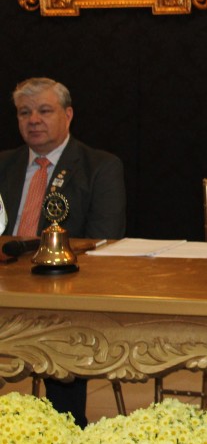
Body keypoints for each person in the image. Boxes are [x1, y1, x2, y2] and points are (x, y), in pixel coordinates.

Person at [0, 77, 127, 428]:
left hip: (65, 290)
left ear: (68, 115)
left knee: (63, 334)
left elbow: (103, 241)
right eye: (24, 113)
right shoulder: (4, 165)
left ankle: (66, 428)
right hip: (4, 281)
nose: (33, 120)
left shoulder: (100, 166)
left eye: (44, 111)